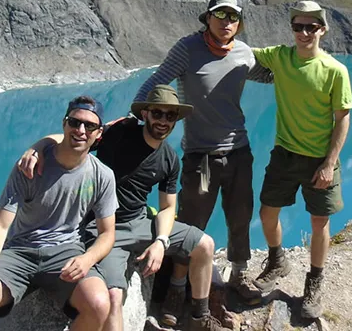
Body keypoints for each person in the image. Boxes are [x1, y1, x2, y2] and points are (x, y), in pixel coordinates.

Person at [17, 86, 229, 331]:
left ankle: (199, 319)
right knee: (114, 297)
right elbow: (76, 135)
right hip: (104, 227)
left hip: (140, 222)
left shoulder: (169, 158)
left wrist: (161, 241)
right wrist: (38, 146)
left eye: (170, 116)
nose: (163, 121)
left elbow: (168, 207)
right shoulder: (121, 132)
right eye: (158, 113)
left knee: (205, 245)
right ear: (146, 114)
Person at [132, 0, 272, 309]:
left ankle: (238, 274)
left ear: (239, 22)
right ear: (207, 17)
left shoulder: (243, 53)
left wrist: (303, 68)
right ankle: (177, 287)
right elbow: (158, 80)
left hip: (238, 152)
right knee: (194, 223)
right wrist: (134, 116)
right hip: (204, 158)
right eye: (220, 15)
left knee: (240, 216)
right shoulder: (188, 49)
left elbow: (273, 75)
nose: (227, 22)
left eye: (233, 16)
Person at [0, 96, 118, 331]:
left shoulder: (103, 176)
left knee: (100, 304)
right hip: (20, 251)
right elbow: (0, 225)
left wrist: (87, 259)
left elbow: (107, 233)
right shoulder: (30, 167)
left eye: (89, 126)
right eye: (75, 122)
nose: (81, 130)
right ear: (64, 124)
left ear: (98, 133)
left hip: (66, 252)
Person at [249, 1, 352, 320]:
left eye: (311, 27)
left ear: (322, 30)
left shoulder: (336, 70)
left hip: (320, 159)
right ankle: (278, 259)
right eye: (298, 27)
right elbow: (243, 53)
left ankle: (315, 281)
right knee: (267, 212)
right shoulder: (279, 57)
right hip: (284, 153)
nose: (304, 33)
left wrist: (329, 162)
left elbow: (342, 119)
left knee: (319, 222)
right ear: (292, 29)